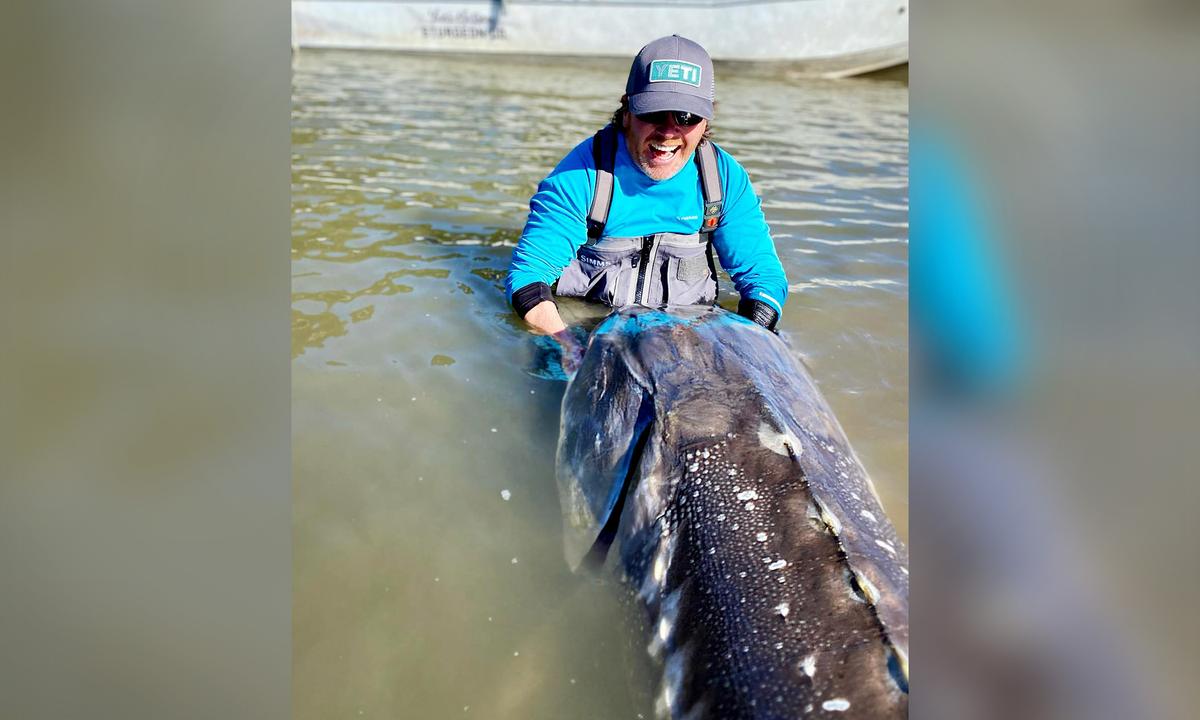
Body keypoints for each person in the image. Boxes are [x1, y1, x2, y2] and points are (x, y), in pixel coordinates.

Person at [505, 35, 788, 343]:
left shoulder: (725, 180)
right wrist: (568, 349)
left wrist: (748, 345)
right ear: (627, 113)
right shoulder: (580, 175)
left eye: (686, 116)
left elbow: (764, 280)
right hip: (587, 330)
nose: (668, 132)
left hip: (683, 335)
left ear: (705, 121)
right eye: (653, 112)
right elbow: (528, 279)